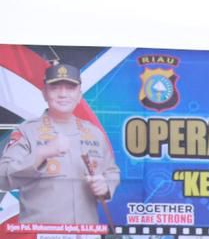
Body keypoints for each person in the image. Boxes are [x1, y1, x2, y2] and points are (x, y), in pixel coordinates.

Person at [0, 62, 120, 226]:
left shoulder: (94, 133)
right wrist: (41, 154)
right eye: (55, 87)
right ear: (44, 93)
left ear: (79, 95)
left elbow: (111, 172)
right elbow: (2, 178)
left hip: (86, 235)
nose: (63, 94)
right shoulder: (27, 131)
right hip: (39, 236)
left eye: (70, 88)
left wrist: (105, 186)